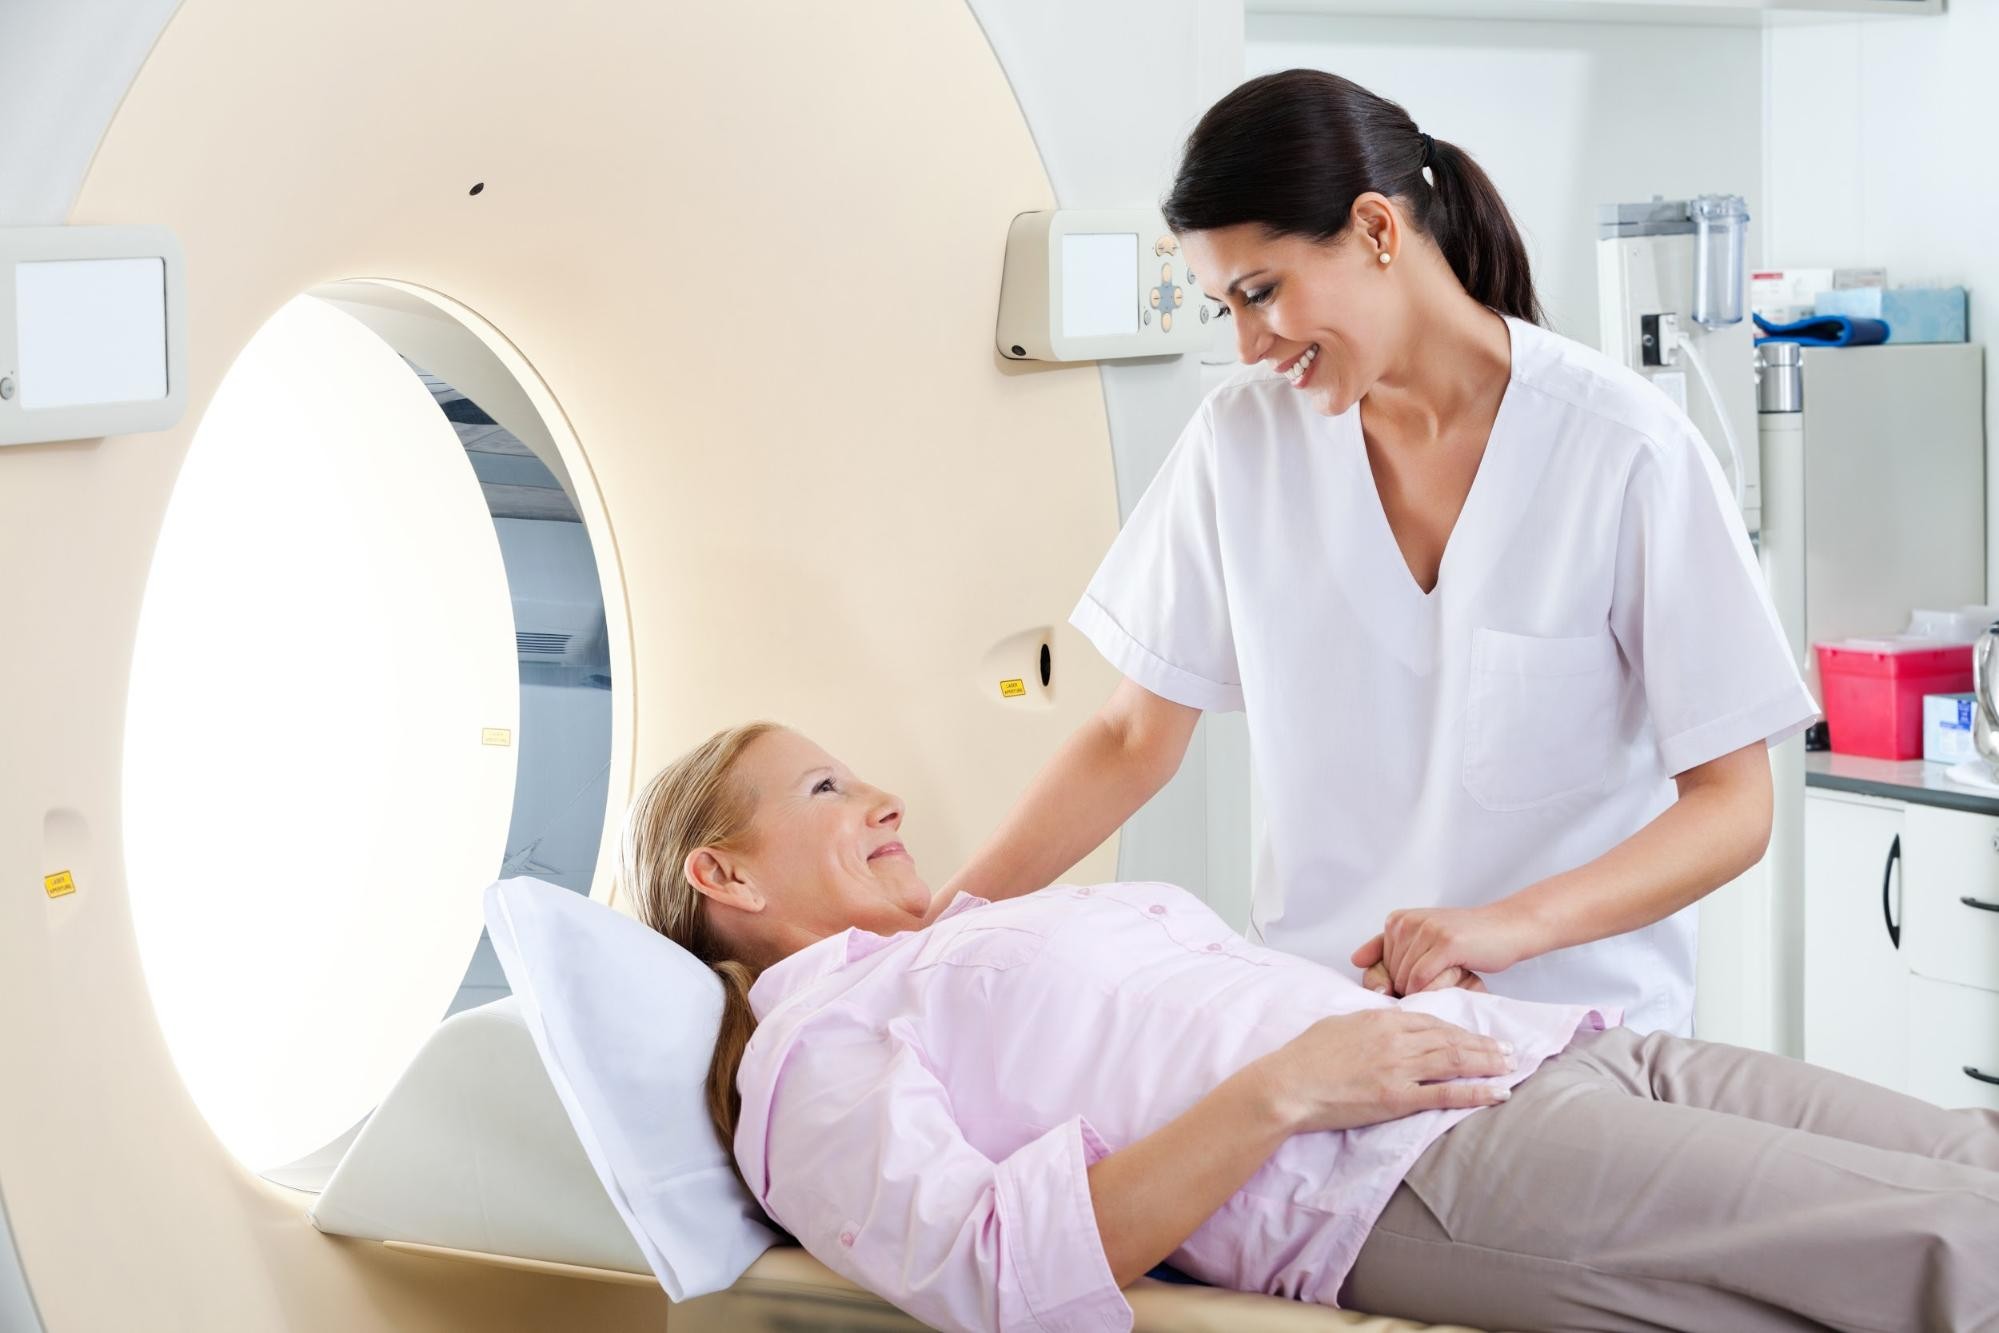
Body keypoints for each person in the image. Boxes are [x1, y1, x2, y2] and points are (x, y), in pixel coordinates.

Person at [944, 69, 1821, 1035]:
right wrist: (935, 931)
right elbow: (1129, 739)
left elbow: (1732, 805)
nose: (1247, 345)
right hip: (1320, 1032)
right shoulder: (1241, 442)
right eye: (1223, 308)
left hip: (1569, 1033)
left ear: (1374, 230)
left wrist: (1504, 928)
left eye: (1261, 293)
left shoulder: (1624, 450)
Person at [620, 723, 1998, 1333]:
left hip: (1531, 1049)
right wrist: (1286, 1087)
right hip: (1402, 1168)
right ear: (722, 873)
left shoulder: (957, 936)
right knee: (1947, 1249)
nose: (881, 798)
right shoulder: (811, 1053)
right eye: (824, 788)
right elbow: (997, 1272)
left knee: (1967, 1158)